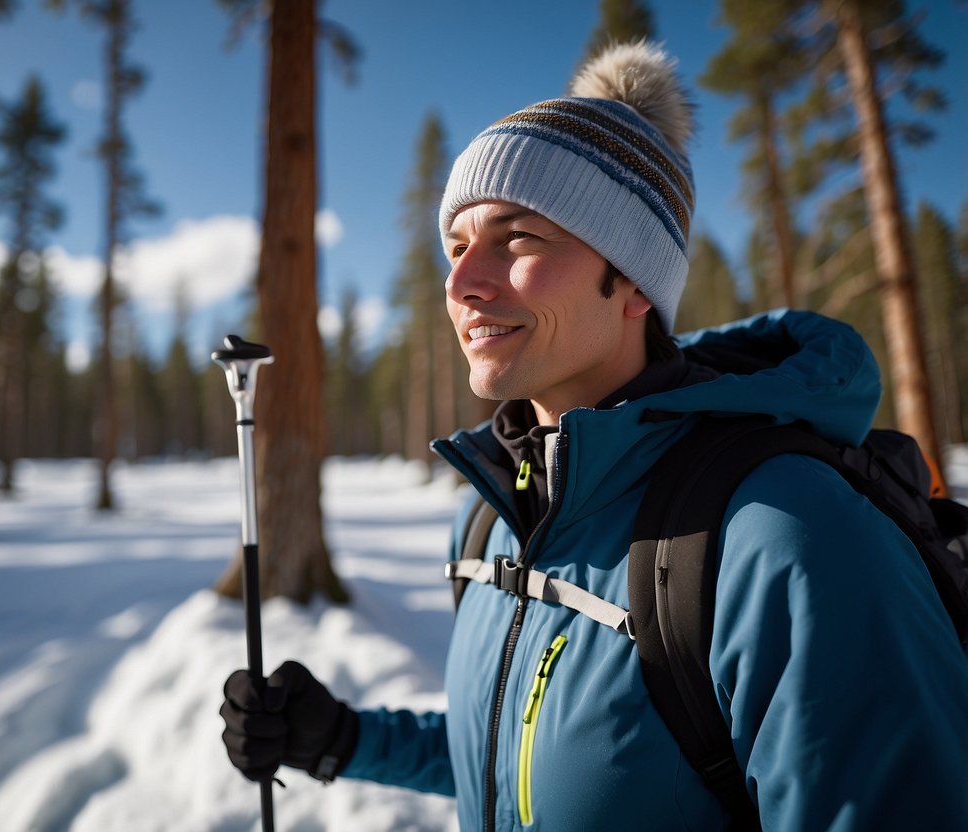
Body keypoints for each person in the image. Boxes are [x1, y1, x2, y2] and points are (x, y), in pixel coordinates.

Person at [220, 41, 968, 830]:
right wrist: (343, 737)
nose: (461, 281)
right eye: (456, 244)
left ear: (635, 282)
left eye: (517, 239)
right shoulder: (490, 517)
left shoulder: (784, 537)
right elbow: (521, 762)